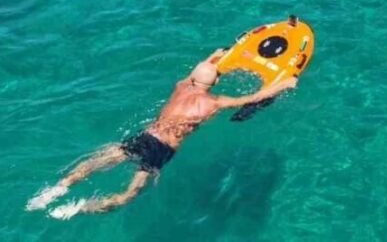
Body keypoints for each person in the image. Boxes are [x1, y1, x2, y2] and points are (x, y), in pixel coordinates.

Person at [25, 47, 299, 219]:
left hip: (145, 136)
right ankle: (77, 208)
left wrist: (213, 58)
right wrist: (285, 82)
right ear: (215, 81)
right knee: (129, 195)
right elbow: (256, 96)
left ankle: (56, 190)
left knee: (97, 163)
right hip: (162, 150)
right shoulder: (214, 102)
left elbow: (197, 74)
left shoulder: (181, 86)